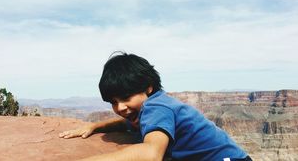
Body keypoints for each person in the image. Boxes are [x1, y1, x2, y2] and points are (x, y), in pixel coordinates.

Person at [59, 52, 252, 161]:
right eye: (113, 102)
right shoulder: (150, 106)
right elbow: (123, 124)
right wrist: (94, 127)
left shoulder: (157, 107)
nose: (121, 107)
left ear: (148, 88)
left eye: (126, 97)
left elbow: (151, 154)